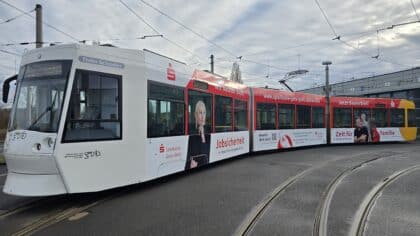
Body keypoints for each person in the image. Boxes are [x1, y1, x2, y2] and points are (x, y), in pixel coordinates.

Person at [185, 100, 211, 170]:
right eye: (200, 113)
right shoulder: (191, 131)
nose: (202, 116)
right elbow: (187, 154)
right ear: (195, 115)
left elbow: (206, 154)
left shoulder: (209, 131)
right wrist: (189, 163)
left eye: (204, 113)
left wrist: (202, 135)